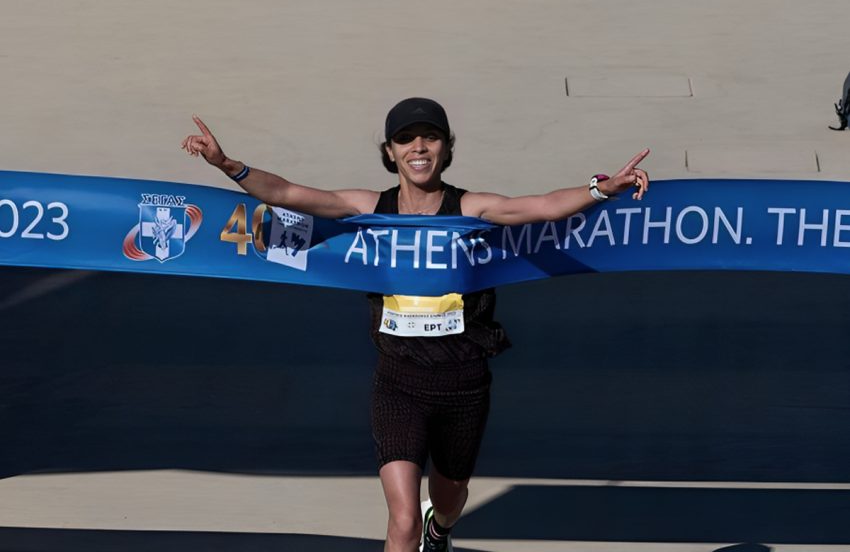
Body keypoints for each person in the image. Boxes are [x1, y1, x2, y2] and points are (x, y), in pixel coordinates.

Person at [181, 97, 649, 552]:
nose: (418, 147)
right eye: (406, 139)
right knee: (401, 522)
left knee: (447, 502)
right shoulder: (370, 208)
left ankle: (440, 529)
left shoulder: (470, 209)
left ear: (446, 148)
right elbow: (286, 194)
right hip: (398, 383)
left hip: (463, 384)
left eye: (430, 137)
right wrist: (227, 164)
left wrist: (600, 189)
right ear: (390, 152)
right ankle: (420, 529)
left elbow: (544, 207)